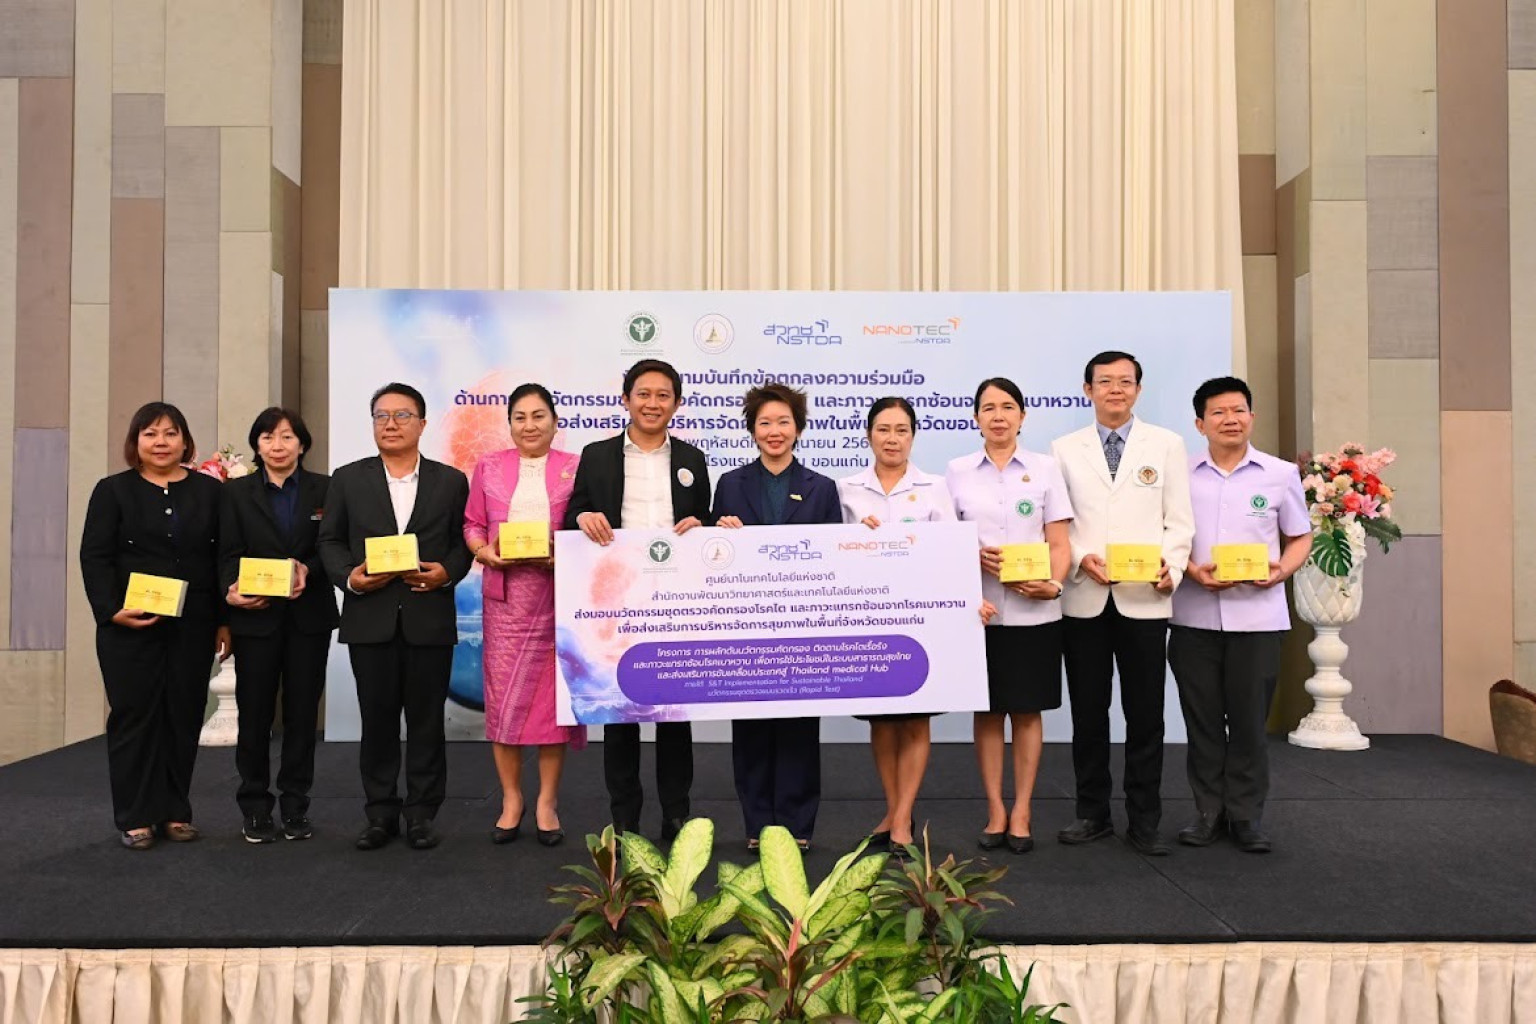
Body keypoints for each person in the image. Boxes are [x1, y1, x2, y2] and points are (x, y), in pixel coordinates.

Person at [1050, 351, 1194, 856]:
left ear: (1138, 389)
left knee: (1145, 715)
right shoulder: (1063, 449)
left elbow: (1179, 520)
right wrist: (1079, 559)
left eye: (1125, 381)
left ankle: (1145, 819)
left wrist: (1172, 568)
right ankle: (1091, 813)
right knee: (1089, 713)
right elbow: (1058, 524)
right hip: (1084, 598)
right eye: (1105, 381)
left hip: (1145, 600)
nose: (1115, 389)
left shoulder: (1167, 444)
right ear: (1087, 389)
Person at [318, 383, 472, 852]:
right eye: (381, 416)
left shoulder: (451, 481)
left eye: (402, 415)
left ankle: (422, 814)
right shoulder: (348, 479)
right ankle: (380, 813)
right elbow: (330, 540)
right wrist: (349, 578)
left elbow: (463, 542)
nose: (390, 424)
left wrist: (447, 573)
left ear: (422, 424)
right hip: (370, 617)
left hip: (429, 617)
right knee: (378, 721)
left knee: (426, 722)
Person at [563, 359, 713, 842]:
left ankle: (676, 815)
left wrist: (703, 526)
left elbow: (705, 520)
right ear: (625, 399)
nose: (653, 403)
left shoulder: (692, 459)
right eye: (643, 394)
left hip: (675, 598)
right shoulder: (597, 455)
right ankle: (625, 818)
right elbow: (572, 515)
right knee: (619, 715)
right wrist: (583, 517)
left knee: (674, 715)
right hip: (617, 600)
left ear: (677, 403)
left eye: (663, 395)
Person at [79, 402, 232, 850]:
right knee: (135, 717)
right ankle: (135, 816)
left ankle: (175, 811)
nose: (161, 442)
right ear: (136, 442)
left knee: (184, 715)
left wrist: (224, 621)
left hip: (194, 624)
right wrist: (111, 610)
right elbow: (95, 557)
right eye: (150, 434)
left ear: (185, 441)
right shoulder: (113, 491)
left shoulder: (210, 492)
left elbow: (219, 558)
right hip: (128, 625)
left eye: (170, 433)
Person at [1170, 377, 1311, 853]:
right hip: (1192, 617)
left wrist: (1281, 572)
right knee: (1203, 722)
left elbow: (1300, 536)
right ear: (1200, 424)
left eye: (1238, 410)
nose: (1230, 420)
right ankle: (1207, 813)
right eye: (1218, 412)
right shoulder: (1180, 475)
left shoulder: (1280, 474)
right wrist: (1192, 571)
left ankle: (1246, 816)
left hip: (1258, 620)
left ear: (1252, 416)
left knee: (1250, 723)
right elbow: (1166, 537)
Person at [946, 379, 1073, 855]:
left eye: (1007, 407)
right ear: (975, 418)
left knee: (1026, 710)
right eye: (988, 408)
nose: (998, 416)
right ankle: (996, 809)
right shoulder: (957, 472)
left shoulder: (1045, 469)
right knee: (987, 711)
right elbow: (943, 543)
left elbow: (1058, 542)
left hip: (1035, 613)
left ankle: (1022, 810)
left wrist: (1053, 584)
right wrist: (968, 558)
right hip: (979, 612)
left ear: (1022, 415)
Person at [713, 381, 841, 851]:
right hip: (745, 625)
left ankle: (795, 827)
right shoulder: (730, 484)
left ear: (798, 429)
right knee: (750, 726)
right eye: (765, 422)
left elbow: (835, 559)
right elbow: (711, 557)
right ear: (752, 430)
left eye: (783, 422)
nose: (774, 431)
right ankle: (757, 825)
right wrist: (718, 532)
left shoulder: (822, 489)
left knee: (798, 727)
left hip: (802, 626)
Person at [464, 384, 586, 847]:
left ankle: (547, 803)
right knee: (505, 704)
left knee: (552, 707)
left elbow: (588, 527)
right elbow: (473, 523)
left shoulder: (576, 467)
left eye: (538, 416)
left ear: (555, 421)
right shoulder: (489, 465)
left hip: (558, 600)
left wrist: (565, 555)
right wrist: (482, 551)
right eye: (520, 417)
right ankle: (512, 800)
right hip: (505, 603)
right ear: (510, 423)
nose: (529, 425)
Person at [838, 397, 956, 852]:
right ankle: (892, 809)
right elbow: (831, 553)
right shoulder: (846, 489)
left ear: (913, 436)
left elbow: (949, 552)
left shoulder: (935, 487)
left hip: (923, 618)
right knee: (882, 722)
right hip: (869, 619)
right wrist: (854, 540)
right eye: (884, 430)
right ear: (869, 435)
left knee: (916, 719)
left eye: (901, 430)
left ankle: (903, 818)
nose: (892, 439)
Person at [219, 407, 337, 844]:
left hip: (309, 617)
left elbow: (333, 546)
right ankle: (254, 807)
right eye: (268, 437)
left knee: (302, 716)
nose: (278, 446)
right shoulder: (235, 493)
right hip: (255, 618)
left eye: (287, 437)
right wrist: (230, 589)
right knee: (254, 715)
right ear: (256, 445)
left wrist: (308, 568)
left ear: (302, 444)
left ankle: (295, 806)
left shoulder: (326, 489)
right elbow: (226, 552)